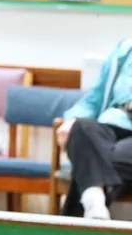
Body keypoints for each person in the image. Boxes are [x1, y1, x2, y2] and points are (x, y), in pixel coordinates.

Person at [57, 38, 132, 219]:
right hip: (114, 121)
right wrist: (71, 120)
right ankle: (94, 202)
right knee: (81, 127)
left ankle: (90, 208)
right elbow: (94, 98)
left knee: (99, 158)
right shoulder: (125, 49)